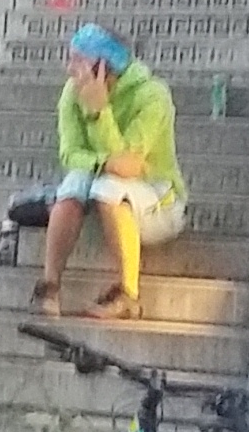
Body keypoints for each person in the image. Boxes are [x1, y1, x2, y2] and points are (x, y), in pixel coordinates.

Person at [36, 23, 187, 320]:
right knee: (73, 184)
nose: (69, 69)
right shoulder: (72, 92)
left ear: (102, 66)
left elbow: (129, 165)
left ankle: (128, 295)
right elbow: (70, 154)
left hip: (158, 197)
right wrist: (103, 164)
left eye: (78, 60)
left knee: (109, 187)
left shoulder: (153, 95)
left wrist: (99, 112)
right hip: (102, 182)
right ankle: (49, 286)